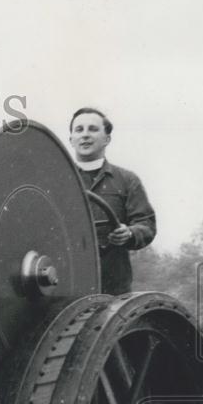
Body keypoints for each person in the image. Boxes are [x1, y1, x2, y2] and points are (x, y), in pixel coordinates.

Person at [69, 107, 156, 295]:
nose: (85, 135)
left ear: (107, 139)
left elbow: (147, 224)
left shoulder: (126, 180)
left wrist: (130, 233)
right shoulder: (57, 180)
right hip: (66, 285)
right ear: (71, 140)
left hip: (113, 288)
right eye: (79, 130)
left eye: (92, 129)